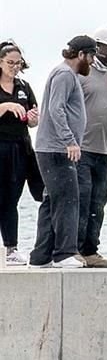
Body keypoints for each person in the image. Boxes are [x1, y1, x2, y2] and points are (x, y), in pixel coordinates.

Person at [29, 36, 99, 269]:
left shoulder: (67, 75)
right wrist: (69, 141)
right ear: (81, 55)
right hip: (57, 149)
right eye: (91, 56)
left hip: (54, 148)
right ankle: (64, 253)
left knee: (53, 201)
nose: (92, 61)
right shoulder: (64, 74)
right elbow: (55, 108)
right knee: (68, 199)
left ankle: (41, 257)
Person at [76, 26, 107, 268]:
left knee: (98, 203)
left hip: (103, 151)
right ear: (96, 47)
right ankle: (75, 249)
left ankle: (91, 250)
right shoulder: (81, 74)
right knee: (82, 200)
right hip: (81, 149)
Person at [0, 40, 40, 265]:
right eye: (10, 63)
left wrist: (33, 119)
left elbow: (32, 118)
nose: (14, 67)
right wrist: (5, 107)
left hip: (20, 146)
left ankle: (11, 248)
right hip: (1, 145)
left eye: (18, 63)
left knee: (11, 198)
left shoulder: (23, 86)